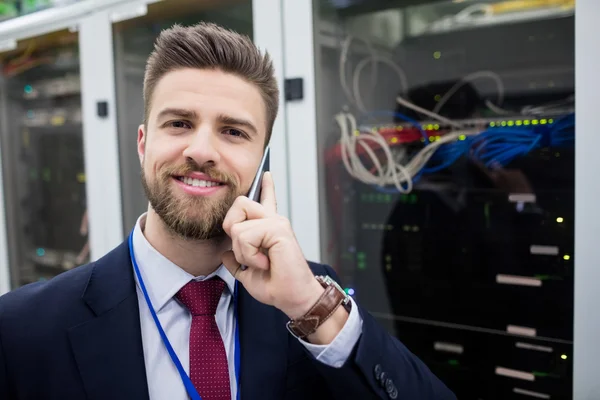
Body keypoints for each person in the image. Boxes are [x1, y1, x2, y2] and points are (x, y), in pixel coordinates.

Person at [0, 22, 455, 400]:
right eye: (179, 123)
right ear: (143, 145)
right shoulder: (22, 329)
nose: (201, 151)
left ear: (263, 163)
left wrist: (309, 305)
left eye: (233, 132)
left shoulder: (308, 304)